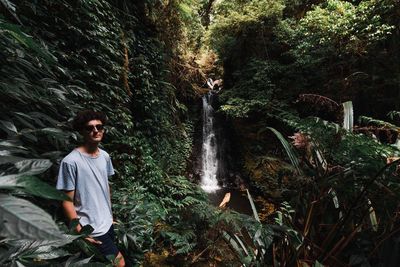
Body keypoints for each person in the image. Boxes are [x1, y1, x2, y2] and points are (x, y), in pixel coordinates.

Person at [57, 110, 125, 266]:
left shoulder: (105, 156)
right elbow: (66, 200)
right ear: (82, 131)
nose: (95, 130)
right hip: (91, 227)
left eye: (99, 127)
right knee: (119, 263)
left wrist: (110, 215)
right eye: (90, 128)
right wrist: (80, 232)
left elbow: (104, 186)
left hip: (107, 223)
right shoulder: (71, 161)